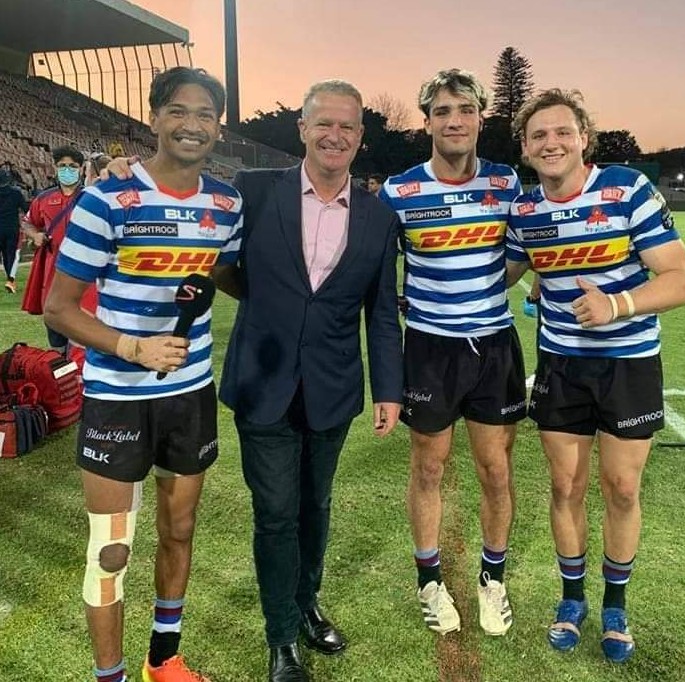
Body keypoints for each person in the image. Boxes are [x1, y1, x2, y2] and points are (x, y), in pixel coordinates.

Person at [44, 67, 243, 682]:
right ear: (154, 119)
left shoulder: (226, 203)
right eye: (179, 111)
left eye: (206, 114)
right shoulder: (108, 197)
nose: (192, 124)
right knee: (111, 550)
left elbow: (232, 278)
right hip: (117, 399)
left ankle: (165, 658)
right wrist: (134, 348)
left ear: (219, 126)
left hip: (191, 397)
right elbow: (59, 308)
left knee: (179, 530)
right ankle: (112, 676)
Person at [214, 80, 403, 682]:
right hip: (263, 379)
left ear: (360, 138)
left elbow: (380, 311)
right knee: (275, 513)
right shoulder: (255, 191)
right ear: (302, 128)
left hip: (332, 385)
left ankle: (306, 603)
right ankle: (280, 640)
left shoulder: (378, 216)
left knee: (315, 506)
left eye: (348, 127)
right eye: (324, 123)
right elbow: (223, 267)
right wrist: (271, 305)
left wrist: (390, 390)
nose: (335, 135)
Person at [506, 89, 685, 663]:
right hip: (562, 366)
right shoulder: (525, 210)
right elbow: (504, 272)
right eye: (538, 135)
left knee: (622, 488)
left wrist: (616, 306)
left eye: (562, 131)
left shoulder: (627, 190)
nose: (551, 143)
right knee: (565, 487)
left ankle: (615, 606)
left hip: (629, 365)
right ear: (524, 148)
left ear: (583, 138)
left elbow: (681, 281)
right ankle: (572, 599)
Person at [379, 69, 526, 637]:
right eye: (442, 111)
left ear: (480, 118)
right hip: (430, 349)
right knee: (429, 466)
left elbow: (518, 258)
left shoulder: (507, 183)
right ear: (428, 123)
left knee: (495, 468)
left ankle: (493, 578)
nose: (454, 120)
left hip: (493, 346)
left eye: (464, 109)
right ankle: (430, 581)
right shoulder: (401, 191)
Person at [21, 146, 94, 352]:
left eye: (72, 166)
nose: (67, 170)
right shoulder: (43, 199)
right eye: (63, 166)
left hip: (87, 277)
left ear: (81, 169)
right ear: (55, 168)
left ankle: (80, 376)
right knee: (55, 336)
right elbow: (27, 222)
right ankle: (59, 374)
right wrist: (35, 235)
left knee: (83, 337)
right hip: (52, 275)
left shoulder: (92, 198)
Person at [0, 168, 27, 293]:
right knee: (10, 255)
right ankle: (10, 280)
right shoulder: (15, 193)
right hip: (11, 228)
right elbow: (25, 208)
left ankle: (10, 281)